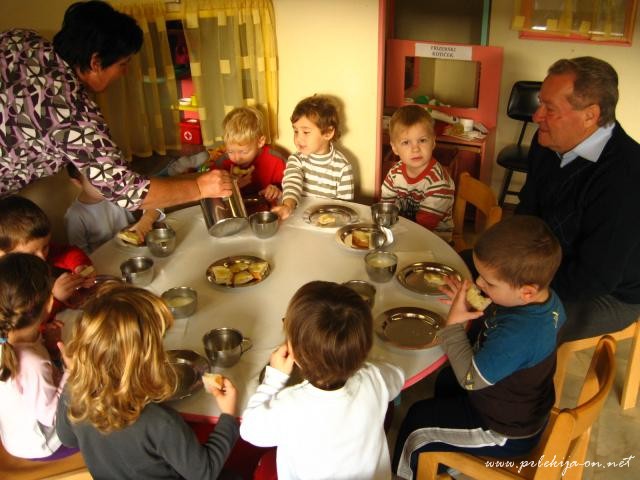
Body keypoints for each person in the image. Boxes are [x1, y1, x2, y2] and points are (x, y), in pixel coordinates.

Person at [0, 1, 232, 212]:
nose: (125, 72)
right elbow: (127, 191)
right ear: (96, 62)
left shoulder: (21, 39)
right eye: (122, 64)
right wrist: (201, 188)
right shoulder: (72, 114)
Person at [393, 216, 565, 480]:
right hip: (517, 403)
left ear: (527, 292)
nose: (480, 285)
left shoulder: (519, 336)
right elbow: (502, 322)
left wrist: (453, 324)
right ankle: (445, 457)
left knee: (418, 424)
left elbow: (470, 379)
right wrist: (476, 304)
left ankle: (405, 475)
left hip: (504, 430)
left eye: (489, 283)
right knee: (446, 380)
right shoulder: (544, 302)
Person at [56, 283, 240, 479]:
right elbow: (205, 472)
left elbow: (67, 438)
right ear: (145, 358)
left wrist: (74, 375)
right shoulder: (160, 422)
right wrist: (228, 416)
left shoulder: (73, 393)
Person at [516, 56, 640, 343]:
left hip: (611, 294)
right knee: (461, 273)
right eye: (540, 102)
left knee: (515, 330)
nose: (536, 116)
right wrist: (504, 264)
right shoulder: (547, 142)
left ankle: (479, 384)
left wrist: (518, 288)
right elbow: (527, 212)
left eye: (550, 108)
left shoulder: (627, 176)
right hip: (543, 267)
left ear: (590, 115)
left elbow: (594, 278)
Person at [240, 281, 404, 479]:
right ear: (365, 348)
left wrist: (273, 378)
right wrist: (362, 361)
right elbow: (398, 376)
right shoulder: (375, 377)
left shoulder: (289, 405)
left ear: (295, 355)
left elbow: (250, 430)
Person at [0, 196, 94, 357]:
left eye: (45, 247)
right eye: (32, 253)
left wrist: (80, 266)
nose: (42, 257)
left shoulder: (34, 254)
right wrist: (55, 298)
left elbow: (68, 252)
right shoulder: (8, 285)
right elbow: (20, 325)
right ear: (3, 254)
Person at [0, 253, 74, 460]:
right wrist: (71, 372)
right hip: (43, 446)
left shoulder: (6, 340)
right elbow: (52, 417)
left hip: (16, 438)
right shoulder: (32, 362)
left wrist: (50, 347)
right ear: (50, 303)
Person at [272, 95, 354, 220]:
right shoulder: (296, 159)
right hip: (298, 220)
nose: (298, 138)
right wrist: (288, 206)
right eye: (295, 131)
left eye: (306, 132)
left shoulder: (343, 167)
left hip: (327, 224)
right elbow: (292, 182)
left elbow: (343, 208)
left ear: (328, 132)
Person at [381, 105, 455, 241]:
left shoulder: (439, 183)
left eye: (422, 140)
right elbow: (387, 208)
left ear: (433, 142)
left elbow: (424, 228)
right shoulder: (394, 173)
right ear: (394, 148)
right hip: (405, 232)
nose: (415, 149)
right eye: (406, 142)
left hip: (435, 241)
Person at [64, 163, 161, 253]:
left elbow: (157, 203)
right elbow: (81, 256)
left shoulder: (117, 193)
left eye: (108, 176)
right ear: (78, 183)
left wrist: (147, 219)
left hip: (131, 250)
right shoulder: (75, 215)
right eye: (97, 180)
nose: (107, 184)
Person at [209, 106, 286, 203]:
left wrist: (277, 191)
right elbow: (210, 194)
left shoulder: (277, 161)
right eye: (230, 151)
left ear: (260, 142)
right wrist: (233, 187)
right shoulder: (222, 164)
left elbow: (291, 190)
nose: (236, 158)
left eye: (243, 152)